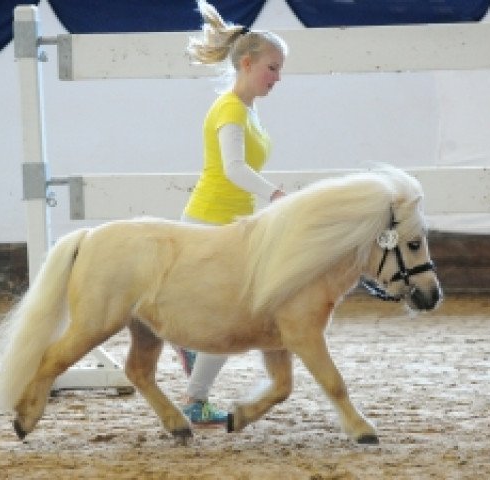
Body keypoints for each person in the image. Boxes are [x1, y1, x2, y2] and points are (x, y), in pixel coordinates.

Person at [175, 0, 288, 425]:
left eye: (280, 70)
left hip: (232, 226)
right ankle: (194, 393)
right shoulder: (230, 109)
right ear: (246, 63)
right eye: (272, 68)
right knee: (236, 320)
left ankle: (194, 378)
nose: (278, 77)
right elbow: (234, 169)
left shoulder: (246, 108)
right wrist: (275, 194)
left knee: (240, 317)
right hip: (210, 225)